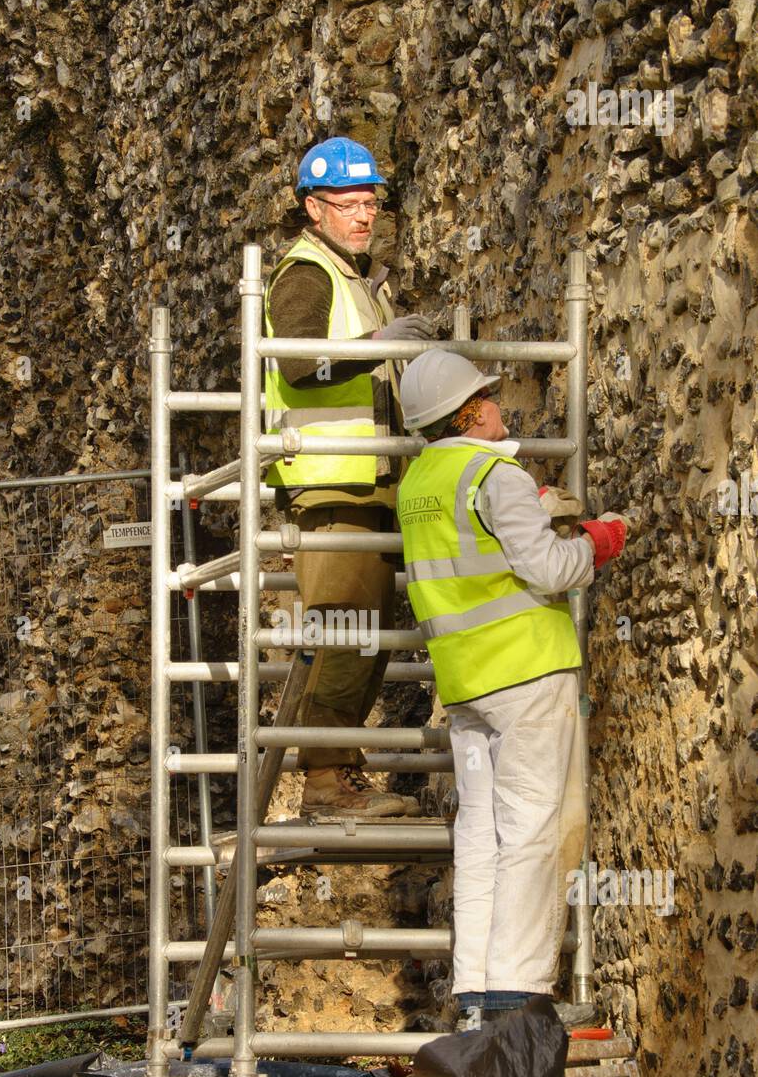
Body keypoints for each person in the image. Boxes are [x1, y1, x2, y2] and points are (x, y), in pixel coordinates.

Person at [395, 349, 627, 1023]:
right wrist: (597, 540)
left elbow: (476, 552)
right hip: (528, 674)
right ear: (470, 412)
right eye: (490, 396)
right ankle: (521, 995)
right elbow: (548, 569)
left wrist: (536, 507)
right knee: (533, 828)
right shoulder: (496, 473)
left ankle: (476, 986)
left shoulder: (419, 486)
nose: (501, 405)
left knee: (480, 835)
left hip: (467, 687)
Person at [264, 136, 435, 817]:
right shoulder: (306, 273)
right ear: (314, 207)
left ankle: (336, 776)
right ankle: (329, 784)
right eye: (349, 203)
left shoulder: (353, 279)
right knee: (347, 628)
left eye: (370, 203)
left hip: (366, 484)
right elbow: (301, 365)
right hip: (334, 483)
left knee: (360, 634)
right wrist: (377, 348)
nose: (364, 215)